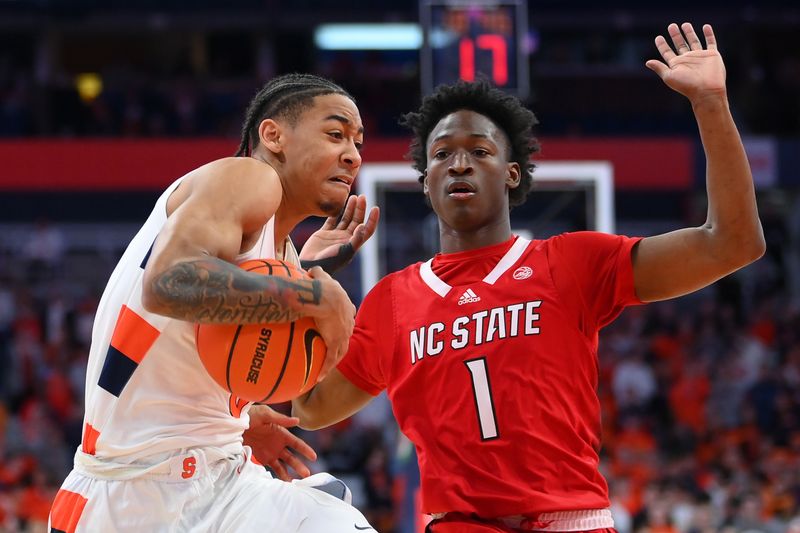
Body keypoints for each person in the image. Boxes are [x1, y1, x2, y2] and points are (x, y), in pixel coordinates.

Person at [292, 23, 765, 532]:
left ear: (512, 173)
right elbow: (312, 406)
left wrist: (711, 103)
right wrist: (306, 281)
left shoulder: (574, 262)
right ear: (425, 182)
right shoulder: (392, 299)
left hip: (570, 520)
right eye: (442, 155)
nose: (459, 165)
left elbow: (732, 243)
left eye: (479, 150)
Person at [49, 73, 379, 532]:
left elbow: (310, 408)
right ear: (273, 135)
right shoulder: (246, 177)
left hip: (224, 481)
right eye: (335, 133)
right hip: (128, 498)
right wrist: (313, 296)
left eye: (359, 143)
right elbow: (168, 283)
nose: (353, 154)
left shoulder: (282, 255)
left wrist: (240, 419)